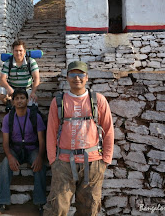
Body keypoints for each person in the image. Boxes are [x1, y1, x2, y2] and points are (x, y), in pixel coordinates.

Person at [44, 61, 114, 216]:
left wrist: (105, 161)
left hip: (93, 162)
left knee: (89, 209)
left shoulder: (98, 100)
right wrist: (53, 161)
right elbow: (51, 132)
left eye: (81, 74)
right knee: (57, 208)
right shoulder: (58, 102)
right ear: (67, 77)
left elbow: (108, 130)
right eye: (73, 74)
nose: (77, 78)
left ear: (87, 77)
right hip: (63, 163)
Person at [0, 88, 46, 215]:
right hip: (16, 149)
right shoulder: (8, 118)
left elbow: (42, 140)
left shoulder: (35, 116)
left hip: (32, 149)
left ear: (27, 100)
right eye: (16, 98)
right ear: (12, 102)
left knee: (40, 166)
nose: (19, 101)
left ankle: (40, 202)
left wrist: (40, 157)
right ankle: (3, 201)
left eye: (22, 98)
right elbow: (5, 143)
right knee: (5, 164)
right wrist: (10, 157)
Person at [0, 40, 40, 108]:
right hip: (13, 89)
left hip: (26, 89)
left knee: (33, 105)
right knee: (1, 91)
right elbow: (2, 79)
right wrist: (8, 88)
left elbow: (37, 78)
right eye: (16, 50)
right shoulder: (8, 63)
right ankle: (10, 105)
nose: (18, 53)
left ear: (24, 52)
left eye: (20, 50)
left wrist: (33, 92)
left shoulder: (31, 62)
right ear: (13, 51)